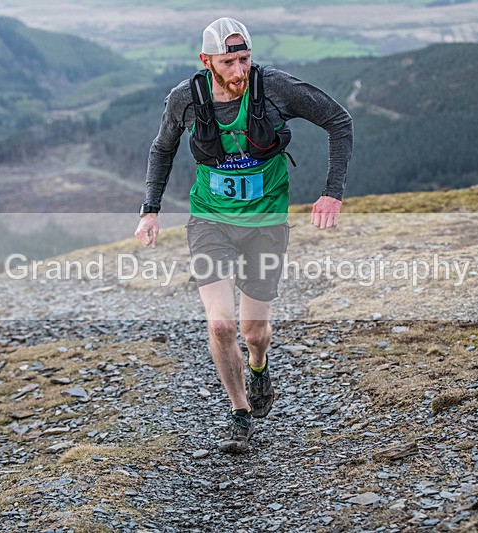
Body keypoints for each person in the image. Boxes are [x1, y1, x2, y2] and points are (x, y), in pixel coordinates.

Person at [134, 17, 353, 453]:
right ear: (206, 61)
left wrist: (332, 194)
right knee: (219, 325)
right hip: (210, 220)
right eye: (229, 61)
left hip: (265, 223)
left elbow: (338, 121)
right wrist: (150, 210)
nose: (238, 71)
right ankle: (239, 413)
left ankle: (258, 367)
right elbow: (162, 149)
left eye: (245, 59)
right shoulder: (185, 100)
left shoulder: (274, 89)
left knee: (254, 332)